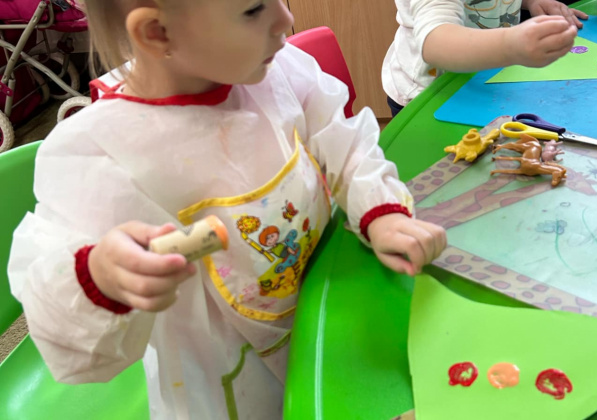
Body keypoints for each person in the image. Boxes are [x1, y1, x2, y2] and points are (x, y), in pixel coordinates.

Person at [7, 0, 447, 418]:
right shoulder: (101, 154)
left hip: (330, 321)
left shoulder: (277, 71)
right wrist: (103, 275)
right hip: (229, 382)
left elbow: (341, 140)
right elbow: (60, 324)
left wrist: (380, 210)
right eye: (253, 9)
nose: (286, 19)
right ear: (158, 32)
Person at [383, 0, 589, 117]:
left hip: (485, 83)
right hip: (431, 95)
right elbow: (434, 42)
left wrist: (531, 2)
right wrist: (511, 46)